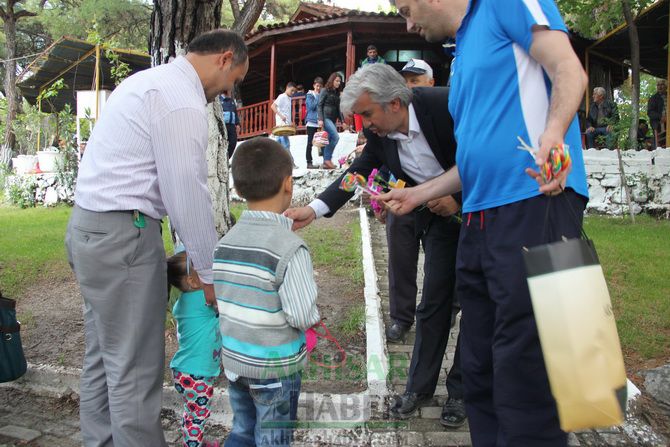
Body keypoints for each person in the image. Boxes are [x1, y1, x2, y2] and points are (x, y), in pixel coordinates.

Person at [386, 1, 589, 445]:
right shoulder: (462, 54)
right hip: (477, 220)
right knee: (480, 366)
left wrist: (553, 137)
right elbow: (473, 158)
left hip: (534, 203)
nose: (408, 23)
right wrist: (419, 193)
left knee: (528, 366)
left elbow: (568, 68)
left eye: (405, 8)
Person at [64, 29, 248, 447]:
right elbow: (185, 190)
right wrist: (208, 270)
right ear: (224, 58)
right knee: (135, 368)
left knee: (104, 356)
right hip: (123, 237)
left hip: (88, 228)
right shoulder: (181, 99)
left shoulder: (147, 81)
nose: (228, 92)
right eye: (234, 79)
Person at [285, 63, 466, 428]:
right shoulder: (381, 135)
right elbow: (358, 172)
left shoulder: (448, 105)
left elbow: (484, 156)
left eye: (368, 113)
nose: (365, 124)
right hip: (438, 220)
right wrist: (314, 209)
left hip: (481, 215)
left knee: (478, 308)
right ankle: (419, 387)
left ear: (396, 102)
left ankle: (462, 390)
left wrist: (459, 199)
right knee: (434, 303)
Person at [215, 137, 320, 447]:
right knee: (273, 439)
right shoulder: (290, 247)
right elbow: (301, 314)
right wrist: (313, 316)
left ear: (237, 189)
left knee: (244, 430)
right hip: (275, 370)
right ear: (288, 184)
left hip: (236, 361)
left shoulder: (225, 243)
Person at [168, 249, 221, 447]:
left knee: (192, 413)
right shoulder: (202, 299)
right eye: (204, 270)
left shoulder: (186, 301)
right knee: (199, 414)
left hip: (186, 371)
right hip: (196, 373)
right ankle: (193, 444)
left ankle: (192, 441)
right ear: (192, 282)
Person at [318, 72, 343, 169]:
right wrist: (320, 118)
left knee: (328, 140)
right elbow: (319, 105)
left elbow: (338, 108)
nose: (338, 83)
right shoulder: (325, 90)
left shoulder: (337, 93)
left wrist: (343, 121)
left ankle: (326, 162)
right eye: (336, 81)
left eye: (339, 81)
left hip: (333, 119)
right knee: (335, 137)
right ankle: (327, 160)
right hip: (326, 117)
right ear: (332, 80)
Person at [271, 82, 297, 151]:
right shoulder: (282, 96)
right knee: (286, 145)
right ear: (287, 88)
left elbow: (287, 112)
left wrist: (291, 122)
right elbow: (273, 106)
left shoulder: (289, 98)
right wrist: (281, 116)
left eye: (294, 91)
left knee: (278, 146)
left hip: (285, 125)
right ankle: (289, 161)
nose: (293, 92)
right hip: (281, 125)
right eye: (292, 90)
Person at [305, 77, 323, 169]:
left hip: (320, 122)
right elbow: (311, 107)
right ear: (314, 85)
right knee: (310, 143)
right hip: (312, 122)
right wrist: (318, 97)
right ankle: (309, 163)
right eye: (317, 86)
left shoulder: (321, 94)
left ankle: (325, 162)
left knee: (323, 142)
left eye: (320, 86)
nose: (318, 88)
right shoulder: (310, 95)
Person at [220, 91, 240, 158]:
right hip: (223, 125)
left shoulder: (232, 101)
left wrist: (238, 124)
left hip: (232, 125)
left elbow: (235, 113)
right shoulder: (219, 100)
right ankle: (222, 157)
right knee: (223, 142)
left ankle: (227, 157)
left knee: (233, 142)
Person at [647, 79, 667, 148]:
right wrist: (661, 117)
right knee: (661, 146)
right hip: (659, 124)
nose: (660, 87)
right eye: (658, 85)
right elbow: (650, 113)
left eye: (662, 84)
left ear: (666, 86)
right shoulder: (653, 98)